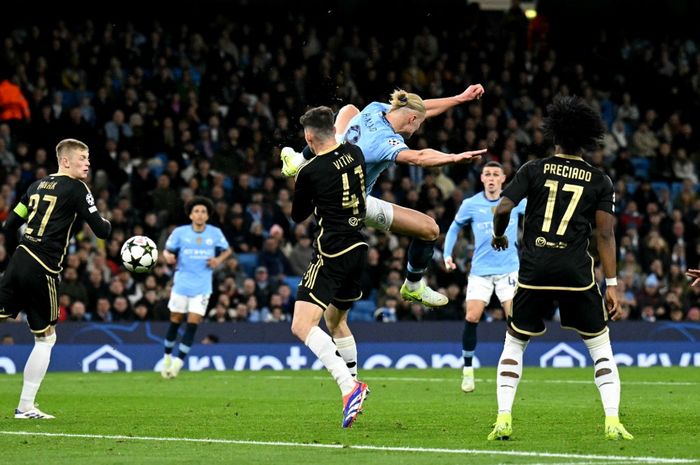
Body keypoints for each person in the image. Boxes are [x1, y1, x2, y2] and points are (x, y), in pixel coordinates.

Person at [488, 96, 633, 441]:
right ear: (587, 139)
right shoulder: (600, 180)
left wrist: (498, 236)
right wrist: (611, 283)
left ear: (554, 135)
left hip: (535, 272)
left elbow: (502, 208)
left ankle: (504, 416)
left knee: (514, 343)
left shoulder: (533, 169)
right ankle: (612, 421)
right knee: (600, 347)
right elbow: (605, 233)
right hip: (576, 275)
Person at [281, 86, 486, 310]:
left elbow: (422, 107)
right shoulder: (385, 142)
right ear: (411, 118)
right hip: (352, 203)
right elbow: (419, 157)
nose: (418, 129)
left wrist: (458, 99)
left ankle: (299, 160)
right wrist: (453, 158)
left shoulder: (375, 109)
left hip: (332, 178)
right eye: (418, 123)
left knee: (349, 110)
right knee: (430, 230)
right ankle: (413, 285)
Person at [0, 138, 111, 419]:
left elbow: (10, 224)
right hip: (44, 267)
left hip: (19, 260)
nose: (87, 163)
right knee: (45, 339)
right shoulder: (77, 188)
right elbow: (101, 231)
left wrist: (23, 250)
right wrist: (108, 222)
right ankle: (25, 406)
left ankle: (26, 407)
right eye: (82, 158)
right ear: (65, 161)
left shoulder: (36, 186)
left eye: (88, 158)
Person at [289, 106, 369, 428]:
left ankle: (350, 388)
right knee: (335, 321)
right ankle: (353, 391)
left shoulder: (311, 172)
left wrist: (296, 174)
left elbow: (298, 216)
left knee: (301, 324)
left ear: (308, 136)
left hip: (332, 251)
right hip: (358, 248)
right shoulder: (355, 152)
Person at [443, 161, 526, 393]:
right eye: (487, 174)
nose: (491, 178)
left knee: (515, 319)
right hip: (480, 271)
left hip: (509, 269)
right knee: (472, 316)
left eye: (495, 174)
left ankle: (513, 365)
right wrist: (448, 254)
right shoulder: (471, 204)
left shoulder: (513, 202)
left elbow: (538, 214)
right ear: (482, 179)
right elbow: (453, 228)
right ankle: (468, 371)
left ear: (503, 179)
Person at [160, 196, 231, 378]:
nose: (200, 215)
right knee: (175, 320)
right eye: (196, 211)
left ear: (207, 216)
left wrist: (218, 260)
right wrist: (168, 256)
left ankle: (178, 362)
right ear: (191, 215)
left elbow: (227, 250)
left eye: (203, 212)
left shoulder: (214, 233)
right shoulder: (180, 232)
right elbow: (166, 251)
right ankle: (167, 357)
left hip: (202, 287)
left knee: (193, 322)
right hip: (181, 284)